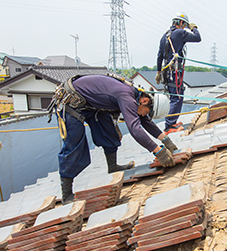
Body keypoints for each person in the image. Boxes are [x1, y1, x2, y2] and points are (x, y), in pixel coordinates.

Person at [51, 74, 178, 204]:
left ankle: (113, 167)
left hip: (90, 104)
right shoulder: (126, 96)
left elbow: (144, 121)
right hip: (71, 103)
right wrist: (157, 151)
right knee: (75, 146)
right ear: (145, 101)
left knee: (109, 131)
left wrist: (165, 140)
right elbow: (134, 128)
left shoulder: (136, 96)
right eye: (147, 112)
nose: (144, 115)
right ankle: (66, 194)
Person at [156, 12, 201, 134]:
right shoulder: (180, 33)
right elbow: (197, 38)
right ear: (181, 23)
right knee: (177, 97)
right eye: (184, 25)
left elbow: (160, 55)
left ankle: (172, 121)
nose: (185, 27)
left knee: (174, 95)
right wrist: (194, 28)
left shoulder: (164, 36)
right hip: (175, 71)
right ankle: (169, 125)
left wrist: (158, 72)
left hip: (167, 71)